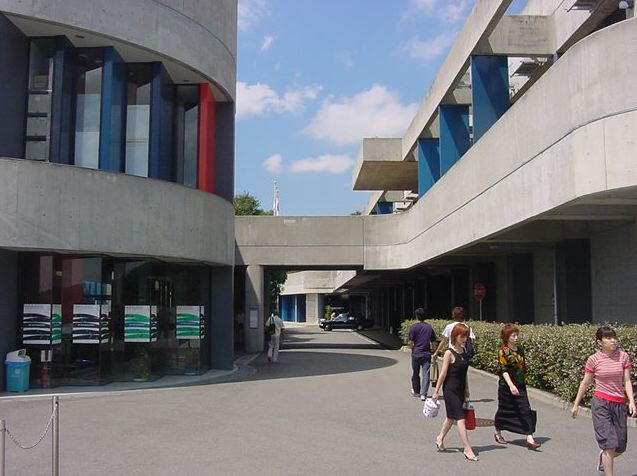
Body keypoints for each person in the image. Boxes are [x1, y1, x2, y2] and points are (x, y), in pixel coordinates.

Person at [571, 326, 636, 476]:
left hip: (619, 403)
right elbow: (586, 382)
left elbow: (626, 381)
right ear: (599, 342)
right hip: (601, 403)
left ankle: (603, 458)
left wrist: (631, 402)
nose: (613, 341)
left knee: (620, 446)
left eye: (614, 337)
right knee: (609, 444)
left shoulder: (623, 356)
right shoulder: (593, 359)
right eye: (608, 338)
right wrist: (576, 404)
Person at [431, 323, 478, 461]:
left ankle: (440, 437)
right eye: (462, 336)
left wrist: (467, 388)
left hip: (460, 388)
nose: (464, 339)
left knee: (451, 417)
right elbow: (443, 374)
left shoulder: (464, 352)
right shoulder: (449, 353)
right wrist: (436, 391)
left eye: (466, 336)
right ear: (455, 336)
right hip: (450, 389)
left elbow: (464, 373)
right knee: (460, 418)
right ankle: (467, 448)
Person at [494, 324, 541, 450]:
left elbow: (522, 366)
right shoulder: (503, 351)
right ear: (507, 337)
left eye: (516, 335)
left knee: (525, 408)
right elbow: (503, 370)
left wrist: (523, 381)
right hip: (506, 386)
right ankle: (498, 431)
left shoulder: (520, 350)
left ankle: (529, 438)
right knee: (504, 410)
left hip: (520, 384)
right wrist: (511, 385)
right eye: (513, 336)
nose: (516, 338)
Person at [407, 308, 437, 401]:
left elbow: (411, 342)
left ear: (416, 316)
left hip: (416, 353)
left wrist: (411, 348)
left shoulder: (413, 327)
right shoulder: (429, 327)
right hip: (426, 353)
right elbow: (433, 341)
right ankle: (423, 394)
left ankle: (416, 391)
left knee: (415, 373)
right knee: (426, 374)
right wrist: (434, 351)